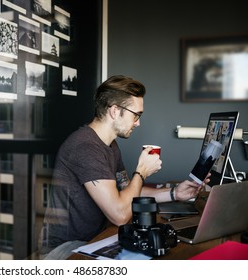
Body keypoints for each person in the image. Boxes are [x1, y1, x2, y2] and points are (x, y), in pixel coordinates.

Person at [38, 75, 209, 260]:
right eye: (136, 115)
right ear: (114, 111)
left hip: (93, 239)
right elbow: (119, 214)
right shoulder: (85, 148)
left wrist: (175, 193)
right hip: (64, 249)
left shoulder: (109, 145)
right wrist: (141, 172)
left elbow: (128, 193)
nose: (138, 122)